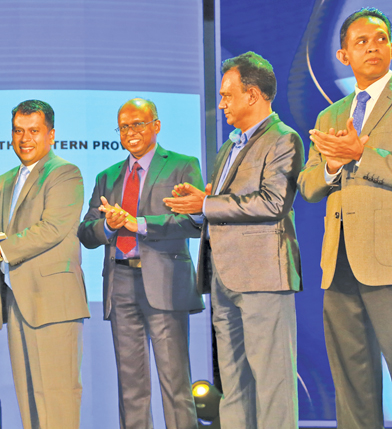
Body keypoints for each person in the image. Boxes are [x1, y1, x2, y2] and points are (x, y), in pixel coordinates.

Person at [164, 52, 303, 428]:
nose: (221, 103)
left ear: (253, 95)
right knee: (233, 382)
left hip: (263, 277)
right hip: (224, 276)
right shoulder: (230, 146)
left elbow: (272, 203)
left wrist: (207, 202)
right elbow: (223, 206)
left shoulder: (283, 139)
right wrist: (196, 205)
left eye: (227, 95)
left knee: (272, 381)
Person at [0, 100, 89, 428]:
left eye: (34, 131)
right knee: (29, 397)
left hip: (53, 302)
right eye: (18, 131)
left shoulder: (64, 173)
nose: (25, 138)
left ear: (51, 135)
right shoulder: (5, 180)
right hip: (18, 301)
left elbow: (52, 229)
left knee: (57, 397)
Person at [78, 98, 203, 429]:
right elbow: (86, 233)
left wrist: (140, 224)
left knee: (175, 385)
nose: (130, 132)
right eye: (124, 126)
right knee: (131, 389)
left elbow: (195, 223)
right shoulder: (108, 177)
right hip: (120, 284)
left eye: (138, 124)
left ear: (156, 126)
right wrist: (110, 225)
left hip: (165, 282)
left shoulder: (181, 164)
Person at [298, 8, 392, 428]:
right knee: (352, 382)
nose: (373, 46)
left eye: (381, 38)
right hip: (339, 264)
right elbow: (309, 185)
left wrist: (361, 155)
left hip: (386, 262)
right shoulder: (330, 116)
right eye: (361, 42)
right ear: (342, 55)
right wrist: (333, 167)